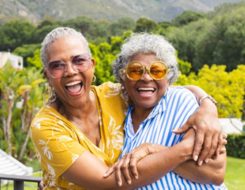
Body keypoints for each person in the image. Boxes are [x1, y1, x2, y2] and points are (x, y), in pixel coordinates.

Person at [30, 27, 225, 190]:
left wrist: (207, 104)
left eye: (78, 60)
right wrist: (181, 150)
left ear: (91, 65)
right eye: (58, 65)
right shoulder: (46, 126)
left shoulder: (113, 95)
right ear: (47, 75)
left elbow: (159, 88)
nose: (71, 71)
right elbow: (107, 182)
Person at [104, 32, 227, 189]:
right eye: (135, 70)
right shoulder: (120, 120)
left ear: (168, 78)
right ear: (123, 78)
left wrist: (153, 150)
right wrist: (169, 156)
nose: (146, 78)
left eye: (157, 71)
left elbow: (215, 173)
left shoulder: (180, 100)